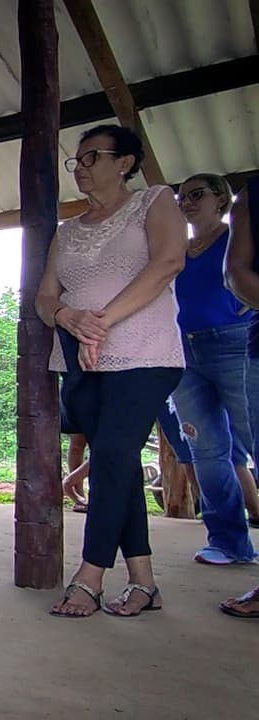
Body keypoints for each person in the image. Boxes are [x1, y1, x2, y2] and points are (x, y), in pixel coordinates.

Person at [36, 125, 185, 618]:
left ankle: (91, 573)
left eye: (92, 156)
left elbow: (167, 262)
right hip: (82, 360)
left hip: (145, 353)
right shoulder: (68, 229)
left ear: (125, 162)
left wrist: (99, 323)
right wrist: (67, 317)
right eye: (75, 160)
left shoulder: (154, 201)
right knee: (115, 461)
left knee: (114, 455)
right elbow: (44, 297)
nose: (79, 166)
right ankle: (144, 582)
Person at [167, 173, 256, 565]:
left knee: (253, 441)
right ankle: (227, 541)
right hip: (184, 355)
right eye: (181, 197)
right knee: (205, 449)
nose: (186, 202)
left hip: (235, 343)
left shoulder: (236, 239)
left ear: (222, 199)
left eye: (196, 194)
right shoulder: (177, 250)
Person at [221, 178, 259, 618]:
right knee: (221, 449)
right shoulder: (252, 194)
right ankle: (230, 542)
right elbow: (237, 272)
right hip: (254, 342)